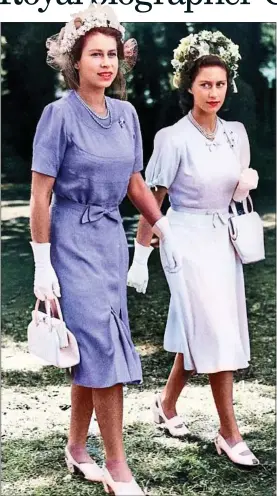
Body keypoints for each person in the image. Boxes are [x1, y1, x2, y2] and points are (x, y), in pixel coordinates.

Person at [29, 6, 181, 495]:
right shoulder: (57, 115)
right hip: (70, 239)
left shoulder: (127, 115)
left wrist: (164, 226)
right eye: (95, 54)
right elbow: (40, 195)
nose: (105, 62)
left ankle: (77, 448)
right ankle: (118, 465)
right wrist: (41, 265)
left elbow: (135, 182)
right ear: (75, 62)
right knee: (102, 349)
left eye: (111, 53)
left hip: (110, 241)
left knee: (93, 347)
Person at [127, 30, 260, 467]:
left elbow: (238, 183)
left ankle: (165, 405)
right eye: (205, 84)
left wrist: (249, 178)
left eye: (220, 84)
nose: (214, 92)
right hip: (183, 241)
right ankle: (229, 431)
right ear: (189, 86)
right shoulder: (172, 138)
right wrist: (141, 256)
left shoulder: (236, 133)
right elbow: (153, 200)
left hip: (224, 241)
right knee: (216, 332)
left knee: (203, 328)